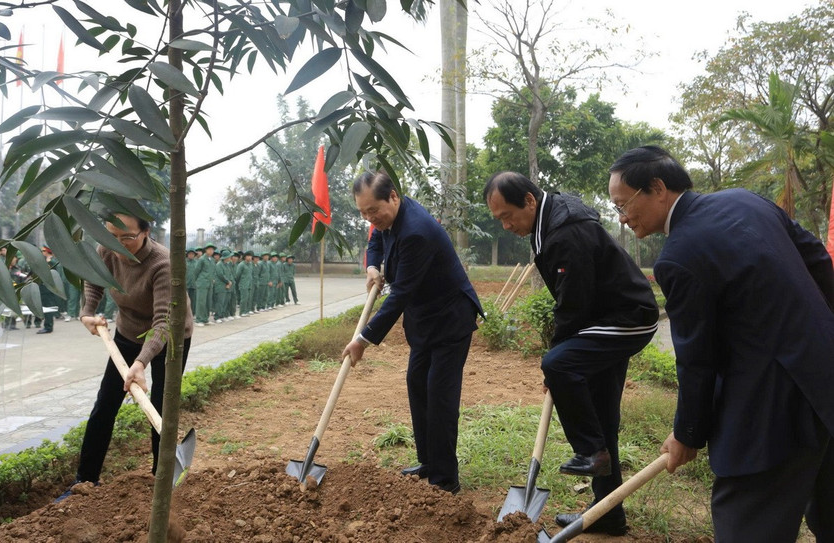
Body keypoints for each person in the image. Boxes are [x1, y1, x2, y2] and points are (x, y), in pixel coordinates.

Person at [607, 145, 834, 543]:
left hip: (773, 412)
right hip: (826, 378)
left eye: (624, 205)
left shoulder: (678, 256)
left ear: (657, 188)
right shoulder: (744, 200)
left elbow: (697, 359)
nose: (623, 219)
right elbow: (816, 257)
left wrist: (687, 434)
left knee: (747, 519)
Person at [484, 171, 658, 535]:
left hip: (627, 318)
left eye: (507, 216)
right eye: (499, 219)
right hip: (604, 319)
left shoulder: (565, 232)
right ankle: (608, 513)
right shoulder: (551, 224)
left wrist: (557, 366)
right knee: (601, 416)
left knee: (558, 363)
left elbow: (572, 306)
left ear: (529, 201)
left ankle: (591, 452)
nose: (505, 225)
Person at [341, 171, 484, 494]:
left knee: (440, 396)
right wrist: (372, 265)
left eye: (373, 210)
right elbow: (377, 239)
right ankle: (429, 461)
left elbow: (400, 294)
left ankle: (445, 478)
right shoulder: (388, 218)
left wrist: (363, 338)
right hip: (424, 320)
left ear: (393, 196)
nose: (370, 218)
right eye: (363, 212)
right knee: (417, 384)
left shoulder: (416, 232)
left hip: (449, 319)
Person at [57, 213, 194, 500]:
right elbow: (95, 279)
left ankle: (163, 478)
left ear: (146, 231)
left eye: (127, 237)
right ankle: (85, 480)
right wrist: (87, 311)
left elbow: (163, 323)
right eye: (112, 237)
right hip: (128, 332)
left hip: (169, 336)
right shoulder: (107, 248)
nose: (119, 245)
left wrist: (141, 363)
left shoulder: (163, 264)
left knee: (160, 407)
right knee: (105, 404)